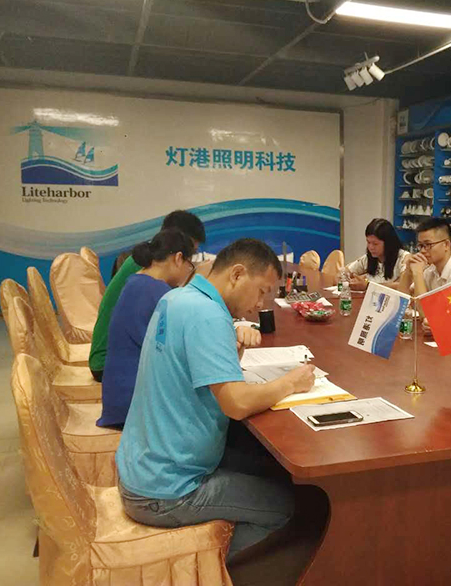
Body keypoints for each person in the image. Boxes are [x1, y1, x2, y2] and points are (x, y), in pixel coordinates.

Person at [115, 238, 315, 561]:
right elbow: (236, 404)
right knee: (285, 507)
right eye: (261, 291)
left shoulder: (177, 298)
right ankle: (201, 566)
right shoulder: (208, 315)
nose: (260, 304)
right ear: (237, 274)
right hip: (168, 491)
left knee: (269, 469)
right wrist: (291, 382)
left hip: (142, 467)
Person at [89, 210, 206, 382]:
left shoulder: (144, 272)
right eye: (190, 257)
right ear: (178, 256)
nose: (190, 267)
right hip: (107, 364)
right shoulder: (149, 281)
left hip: (116, 361)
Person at [96, 229, 196, 429]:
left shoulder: (137, 281)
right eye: (190, 265)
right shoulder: (157, 291)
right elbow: (179, 348)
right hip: (134, 407)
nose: (188, 272)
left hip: (119, 400)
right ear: (178, 258)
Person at [346, 218, 410, 290]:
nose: (370, 247)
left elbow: (404, 285)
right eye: (368, 242)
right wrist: (348, 278)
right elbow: (346, 271)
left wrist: (368, 286)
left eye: (375, 244)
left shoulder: (403, 258)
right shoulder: (367, 258)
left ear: (388, 243)